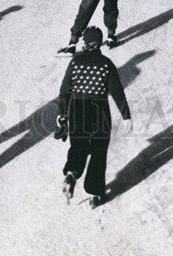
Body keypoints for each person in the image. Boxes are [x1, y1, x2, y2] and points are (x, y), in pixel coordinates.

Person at [55, 26, 132, 208]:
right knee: (99, 149)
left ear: (84, 42)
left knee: (79, 145)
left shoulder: (75, 62)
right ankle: (95, 192)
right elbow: (117, 91)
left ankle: (72, 173)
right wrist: (126, 115)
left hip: (77, 109)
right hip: (99, 109)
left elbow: (64, 91)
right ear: (99, 44)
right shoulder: (106, 64)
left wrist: (62, 113)